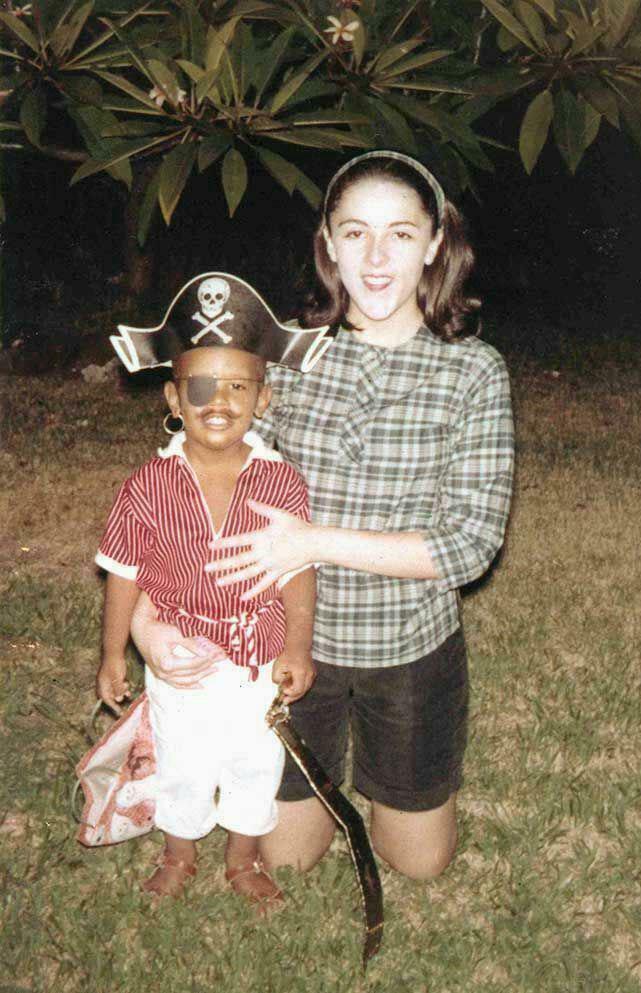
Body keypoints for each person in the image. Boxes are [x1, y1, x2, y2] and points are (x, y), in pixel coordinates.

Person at [133, 152, 515, 881]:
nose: (375, 257)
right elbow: (191, 497)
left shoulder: (474, 371)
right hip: (285, 649)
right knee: (287, 854)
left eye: (401, 235)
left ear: (435, 244)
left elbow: (468, 547)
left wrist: (312, 541)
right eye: (356, 233)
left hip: (408, 647)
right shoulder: (288, 360)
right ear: (329, 243)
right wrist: (150, 620)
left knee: (420, 865)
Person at [91, 274, 319, 907]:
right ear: (172, 396)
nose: (218, 401)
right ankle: (179, 853)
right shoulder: (146, 485)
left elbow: (300, 571)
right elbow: (123, 574)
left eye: (238, 387)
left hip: (259, 659)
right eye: (200, 387)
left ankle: (243, 860)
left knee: (255, 761)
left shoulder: (282, 482)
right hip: (180, 660)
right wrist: (114, 654)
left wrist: (297, 646)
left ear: (263, 400)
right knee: (184, 759)